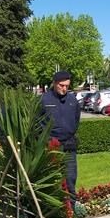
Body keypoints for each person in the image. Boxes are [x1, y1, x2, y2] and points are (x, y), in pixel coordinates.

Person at [40, 71, 81, 202]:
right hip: (51, 147)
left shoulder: (72, 100)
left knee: (70, 180)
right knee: (52, 182)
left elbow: (76, 119)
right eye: (61, 85)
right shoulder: (44, 100)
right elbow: (37, 123)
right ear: (54, 83)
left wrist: (70, 132)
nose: (64, 89)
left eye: (67, 86)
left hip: (69, 146)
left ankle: (71, 211)